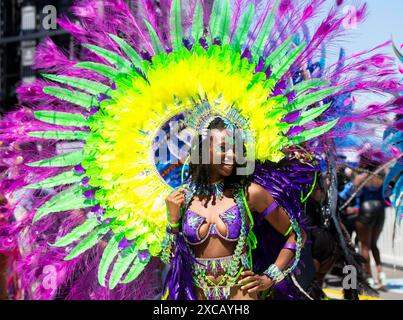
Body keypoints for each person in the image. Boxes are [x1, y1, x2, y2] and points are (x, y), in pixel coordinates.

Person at [163, 117, 302, 300]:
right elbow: (169, 259)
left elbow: (296, 235)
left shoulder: (249, 194)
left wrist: (269, 277)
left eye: (236, 150)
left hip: (241, 295)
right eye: (223, 148)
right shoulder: (182, 198)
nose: (232, 155)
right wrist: (172, 223)